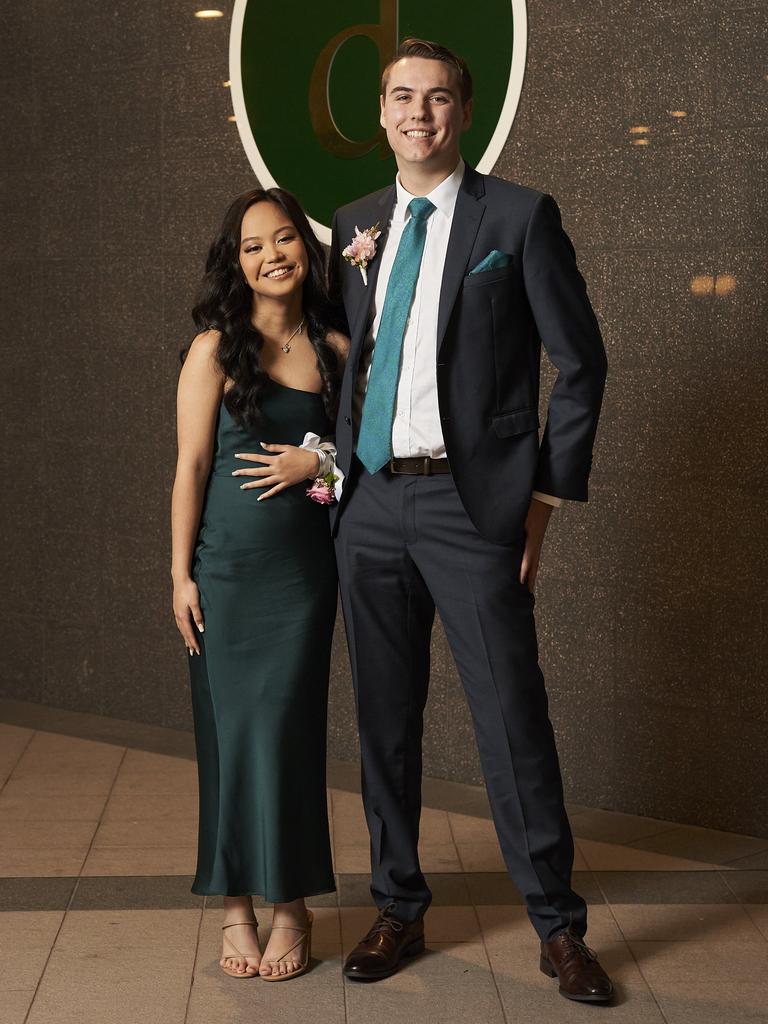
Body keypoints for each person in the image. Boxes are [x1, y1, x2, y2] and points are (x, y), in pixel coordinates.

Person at [329, 38, 613, 1002]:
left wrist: (543, 496)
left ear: (465, 112)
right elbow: (344, 365)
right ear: (381, 111)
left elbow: (581, 363)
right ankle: (397, 906)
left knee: (510, 719)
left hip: (469, 505)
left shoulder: (520, 218)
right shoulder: (353, 226)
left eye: (439, 98)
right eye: (403, 97)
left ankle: (557, 926)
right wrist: (328, 472)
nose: (420, 113)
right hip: (368, 502)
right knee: (384, 722)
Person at [170, 187, 347, 981]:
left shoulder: (338, 349)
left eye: (284, 239)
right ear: (235, 263)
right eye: (252, 246)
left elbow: (369, 460)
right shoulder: (214, 348)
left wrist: (321, 462)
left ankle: (291, 907)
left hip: (303, 579)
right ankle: (235, 907)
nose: (271, 255)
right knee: (227, 740)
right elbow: (192, 467)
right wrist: (179, 575)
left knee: (286, 737)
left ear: (305, 252)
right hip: (225, 574)